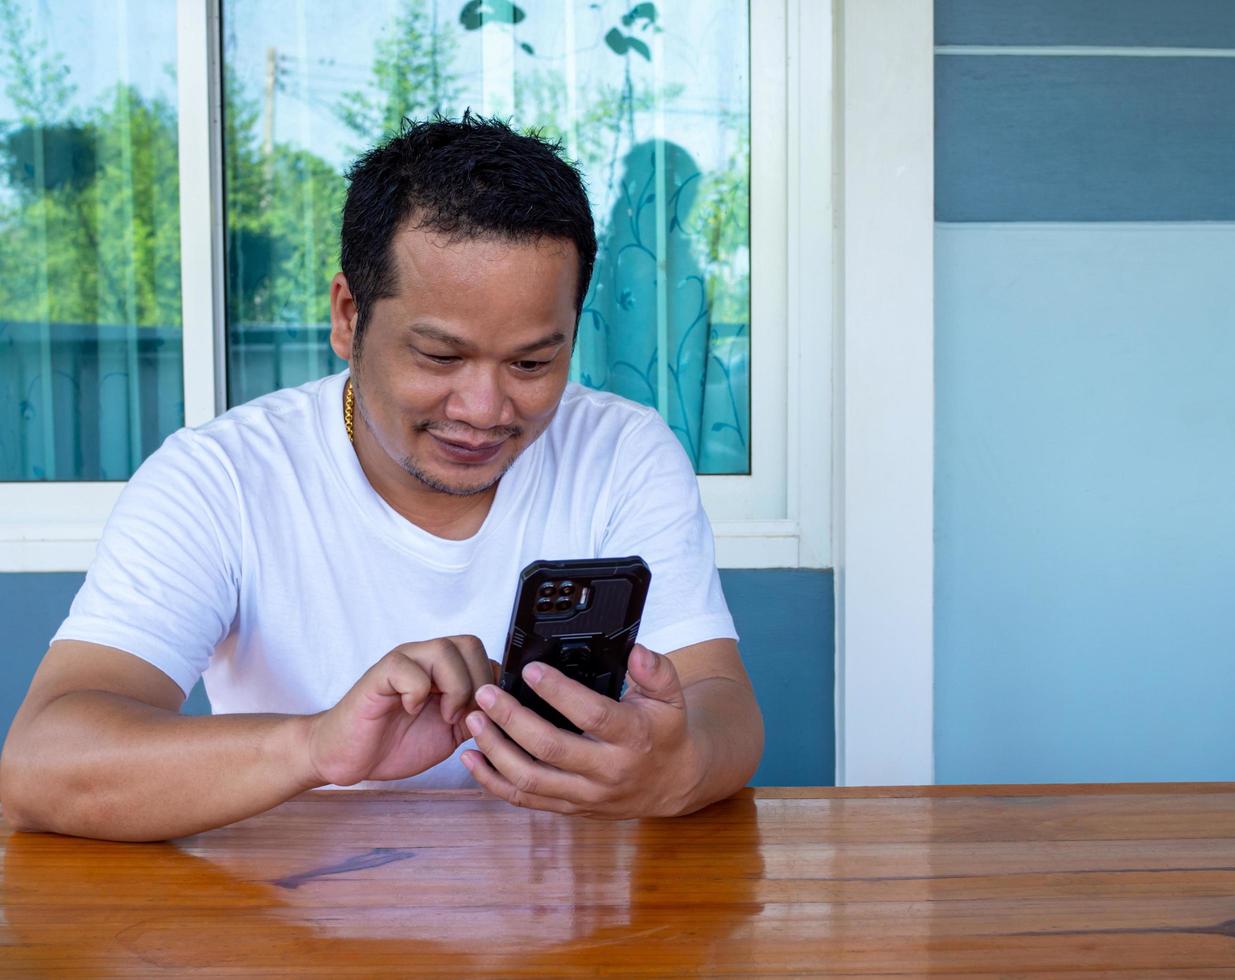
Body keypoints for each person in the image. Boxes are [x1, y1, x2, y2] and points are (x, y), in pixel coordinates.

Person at [0, 115, 764, 842]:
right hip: (297, 928)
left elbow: (723, 707)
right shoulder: (221, 478)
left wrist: (675, 767)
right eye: (438, 357)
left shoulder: (621, 450)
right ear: (346, 316)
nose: (484, 409)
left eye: (532, 363)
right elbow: (38, 767)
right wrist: (316, 749)